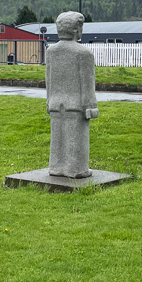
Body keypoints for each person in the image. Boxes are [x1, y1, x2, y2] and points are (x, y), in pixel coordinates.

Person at [46, 11, 98, 178]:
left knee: (58, 139)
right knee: (76, 139)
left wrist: (49, 101)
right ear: (77, 29)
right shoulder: (83, 53)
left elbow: (49, 80)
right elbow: (87, 83)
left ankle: (56, 167)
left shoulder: (51, 52)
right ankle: (76, 169)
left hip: (55, 102)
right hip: (76, 105)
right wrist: (90, 106)